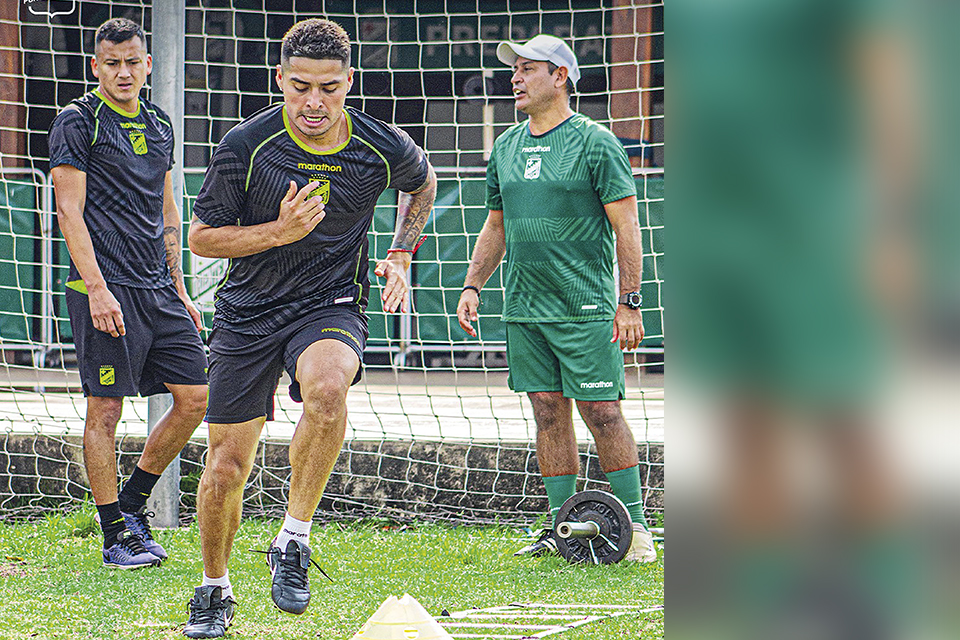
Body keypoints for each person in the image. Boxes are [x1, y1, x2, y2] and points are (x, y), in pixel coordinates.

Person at [181, 18, 437, 638]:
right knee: (224, 468)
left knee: (327, 390)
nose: (314, 101)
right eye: (300, 87)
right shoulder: (247, 146)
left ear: (349, 81)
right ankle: (214, 589)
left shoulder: (379, 144)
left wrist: (402, 253)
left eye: (328, 87)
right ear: (280, 80)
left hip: (330, 303)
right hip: (247, 312)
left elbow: (423, 181)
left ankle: (292, 538)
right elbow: (201, 237)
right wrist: (280, 231)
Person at [456, 34, 656, 563]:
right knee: (547, 413)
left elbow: (628, 226)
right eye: (514, 70)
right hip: (524, 310)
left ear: (560, 77)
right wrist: (473, 284)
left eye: (526, 69)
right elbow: (495, 225)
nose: (514, 79)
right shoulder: (505, 146)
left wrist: (628, 300)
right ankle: (561, 525)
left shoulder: (596, 142)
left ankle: (634, 526)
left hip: (586, 310)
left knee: (602, 412)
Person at [48, 18, 208, 570]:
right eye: (112, 63)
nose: (123, 72)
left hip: (158, 289)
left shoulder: (160, 122)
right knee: (106, 408)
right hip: (103, 289)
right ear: (97, 66)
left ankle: (134, 506)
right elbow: (68, 210)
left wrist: (181, 284)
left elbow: (168, 211)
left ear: (146, 66)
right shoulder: (78, 122)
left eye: (132, 62)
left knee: (195, 397)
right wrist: (97, 288)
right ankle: (114, 533)